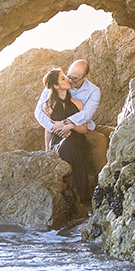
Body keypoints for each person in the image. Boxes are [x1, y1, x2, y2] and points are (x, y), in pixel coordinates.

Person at [33, 59, 109, 176]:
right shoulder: (55, 86)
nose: (70, 80)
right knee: (100, 139)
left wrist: (65, 123)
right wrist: (55, 127)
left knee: (115, 132)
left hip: (85, 126)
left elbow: (86, 114)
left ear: (85, 77)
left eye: (74, 79)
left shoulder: (93, 91)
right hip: (69, 131)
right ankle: (103, 179)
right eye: (68, 76)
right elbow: (39, 112)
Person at [38, 68, 92, 200]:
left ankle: (80, 195)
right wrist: (47, 151)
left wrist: (71, 126)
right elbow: (48, 129)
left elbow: (84, 129)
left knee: (71, 144)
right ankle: (81, 194)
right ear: (56, 86)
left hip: (78, 142)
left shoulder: (78, 104)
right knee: (67, 145)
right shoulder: (48, 106)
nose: (67, 80)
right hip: (58, 144)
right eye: (63, 79)